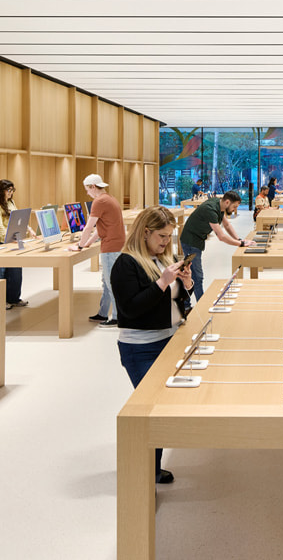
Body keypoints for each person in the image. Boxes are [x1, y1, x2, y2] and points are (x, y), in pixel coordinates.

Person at [111, 206, 194, 485]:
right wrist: (162, 282)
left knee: (160, 408)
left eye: (170, 236)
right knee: (151, 409)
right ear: (145, 232)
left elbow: (173, 300)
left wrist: (186, 284)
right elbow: (131, 309)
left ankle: (152, 468)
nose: (166, 242)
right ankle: (147, 472)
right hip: (141, 348)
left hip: (168, 340)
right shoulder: (126, 263)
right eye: (161, 236)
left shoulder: (160, 259)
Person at [70, 174, 126, 327]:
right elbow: (100, 228)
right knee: (106, 281)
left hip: (111, 246)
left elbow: (89, 227)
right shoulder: (109, 198)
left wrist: (80, 246)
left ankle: (117, 317)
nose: (87, 193)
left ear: (93, 187)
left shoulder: (99, 201)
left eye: (87, 190)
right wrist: (86, 243)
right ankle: (103, 313)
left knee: (111, 282)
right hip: (116, 243)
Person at [178, 190, 254, 301]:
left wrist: (239, 240)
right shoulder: (211, 210)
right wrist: (241, 244)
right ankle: (199, 304)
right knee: (197, 276)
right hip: (190, 241)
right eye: (234, 207)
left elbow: (227, 224)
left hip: (197, 240)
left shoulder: (220, 205)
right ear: (227, 202)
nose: (234, 210)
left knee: (189, 272)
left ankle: (186, 304)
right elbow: (221, 236)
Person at [0, 179, 34, 309]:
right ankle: (0, 301)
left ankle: (14, 298)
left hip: (11, 241)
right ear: (1, 191)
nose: (11, 193)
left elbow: (19, 217)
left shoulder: (11, 202)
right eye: (9, 190)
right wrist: (7, 239)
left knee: (15, 272)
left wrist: (28, 229)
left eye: (12, 190)